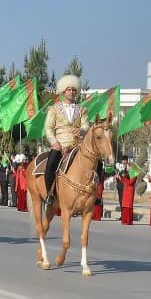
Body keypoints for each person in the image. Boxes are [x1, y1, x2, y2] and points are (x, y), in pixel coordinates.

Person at [43, 75, 89, 208]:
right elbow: (48, 127)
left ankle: (95, 195)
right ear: (63, 91)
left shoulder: (81, 110)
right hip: (60, 144)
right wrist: (54, 142)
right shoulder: (54, 109)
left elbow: (86, 125)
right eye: (68, 89)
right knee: (51, 164)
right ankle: (49, 194)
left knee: (96, 164)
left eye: (74, 89)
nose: (71, 92)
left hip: (77, 144)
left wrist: (81, 130)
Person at [117, 159, 137, 225]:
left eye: (128, 166)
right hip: (125, 189)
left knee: (128, 205)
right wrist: (120, 178)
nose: (127, 168)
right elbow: (125, 182)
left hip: (130, 190)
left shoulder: (133, 173)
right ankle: (124, 219)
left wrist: (123, 178)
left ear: (131, 167)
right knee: (124, 204)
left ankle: (128, 220)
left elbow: (130, 182)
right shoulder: (128, 173)